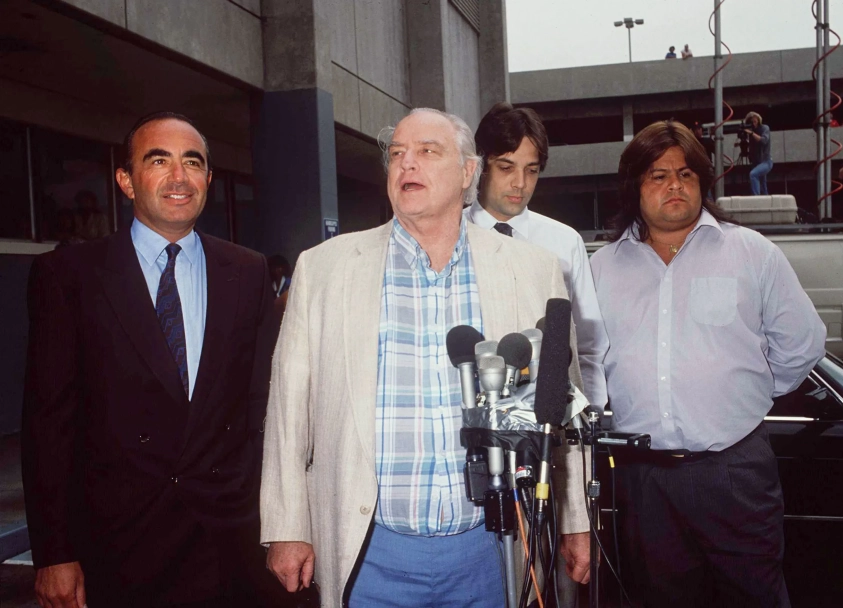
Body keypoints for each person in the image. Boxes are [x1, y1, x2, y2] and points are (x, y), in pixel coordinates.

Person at [260, 108, 590, 607]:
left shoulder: (533, 269)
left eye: (427, 152)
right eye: (397, 154)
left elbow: (560, 407)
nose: (406, 164)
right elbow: (288, 408)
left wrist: (575, 520)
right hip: (369, 552)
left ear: (467, 172)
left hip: (493, 548)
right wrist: (286, 525)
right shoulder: (325, 268)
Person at [22, 112, 287, 607]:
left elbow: (263, 408)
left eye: (193, 162)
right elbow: (48, 425)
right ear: (126, 181)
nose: (179, 177)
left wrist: (280, 523)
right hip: (118, 547)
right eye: (158, 161)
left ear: (208, 179)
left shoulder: (247, 271)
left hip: (228, 541)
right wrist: (54, 553)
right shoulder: (69, 275)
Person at [589, 120, 826, 607]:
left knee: (755, 596)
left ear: (702, 181)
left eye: (686, 174)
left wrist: (744, 396)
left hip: (734, 470)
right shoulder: (600, 268)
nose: (674, 185)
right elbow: (588, 360)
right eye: (658, 175)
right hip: (643, 479)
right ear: (634, 186)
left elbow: (803, 343)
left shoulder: (750, 252)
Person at [466, 100, 607, 455]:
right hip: (470, 423)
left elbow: (588, 346)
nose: (520, 183)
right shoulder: (451, 235)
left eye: (531, 170)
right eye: (506, 167)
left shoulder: (564, 242)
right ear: (479, 165)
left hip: (549, 431)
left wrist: (586, 423)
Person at [740, 111, 773, 195]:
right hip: (756, 162)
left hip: (766, 161)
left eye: (755, 121)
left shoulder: (765, 128)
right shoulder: (751, 133)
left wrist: (751, 133)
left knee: (753, 174)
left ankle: (756, 198)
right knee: (763, 185)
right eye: (751, 122)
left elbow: (764, 141)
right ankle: (765, 199)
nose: (753, 124)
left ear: (758, 120)